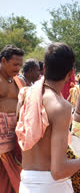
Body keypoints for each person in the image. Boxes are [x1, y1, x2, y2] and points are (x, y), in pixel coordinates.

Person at [16, 42, 80, 193]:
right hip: (50, 186)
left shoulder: (25, 94)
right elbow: (58, 171)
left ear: (44, 68)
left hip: (26, 182)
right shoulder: (61, 107)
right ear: (71, 73)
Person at [0, 45, 25, 193]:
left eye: (20, 65)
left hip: (16, 143)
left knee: (16, 183)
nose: (18, 68)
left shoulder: (18, 81)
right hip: (1, 147)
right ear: (3, 61)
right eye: (15, 64)